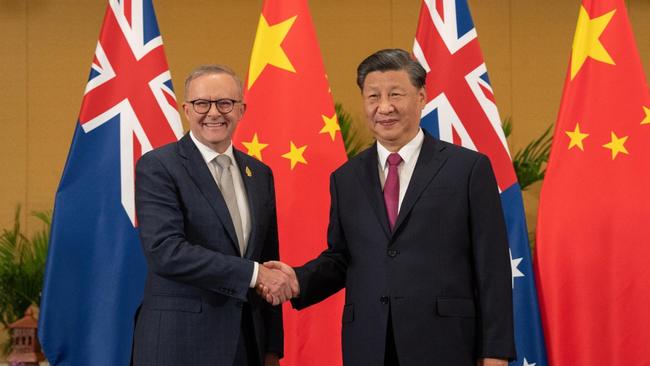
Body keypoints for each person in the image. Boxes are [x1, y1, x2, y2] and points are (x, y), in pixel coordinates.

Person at [262, 49, 516, 366]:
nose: (384, 107)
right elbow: (342, 258)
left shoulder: (467, 168)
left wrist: (494, 352)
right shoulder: (346, 177)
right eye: (373, 96)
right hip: (370, 343)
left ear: (421, 97)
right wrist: (298, 280)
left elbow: (491, 266)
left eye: (396, 94)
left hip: (446, 342)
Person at [132, 65, 295, 366]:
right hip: (179, 344)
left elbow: (268, 257)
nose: (214, 113)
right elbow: (165, 251)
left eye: (225, 103)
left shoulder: (259, 173)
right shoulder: (159, 166)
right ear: (185, 109)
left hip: (247, 344)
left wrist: (272, 347)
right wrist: (254, 274)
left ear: (241, 109)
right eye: (201, 103)